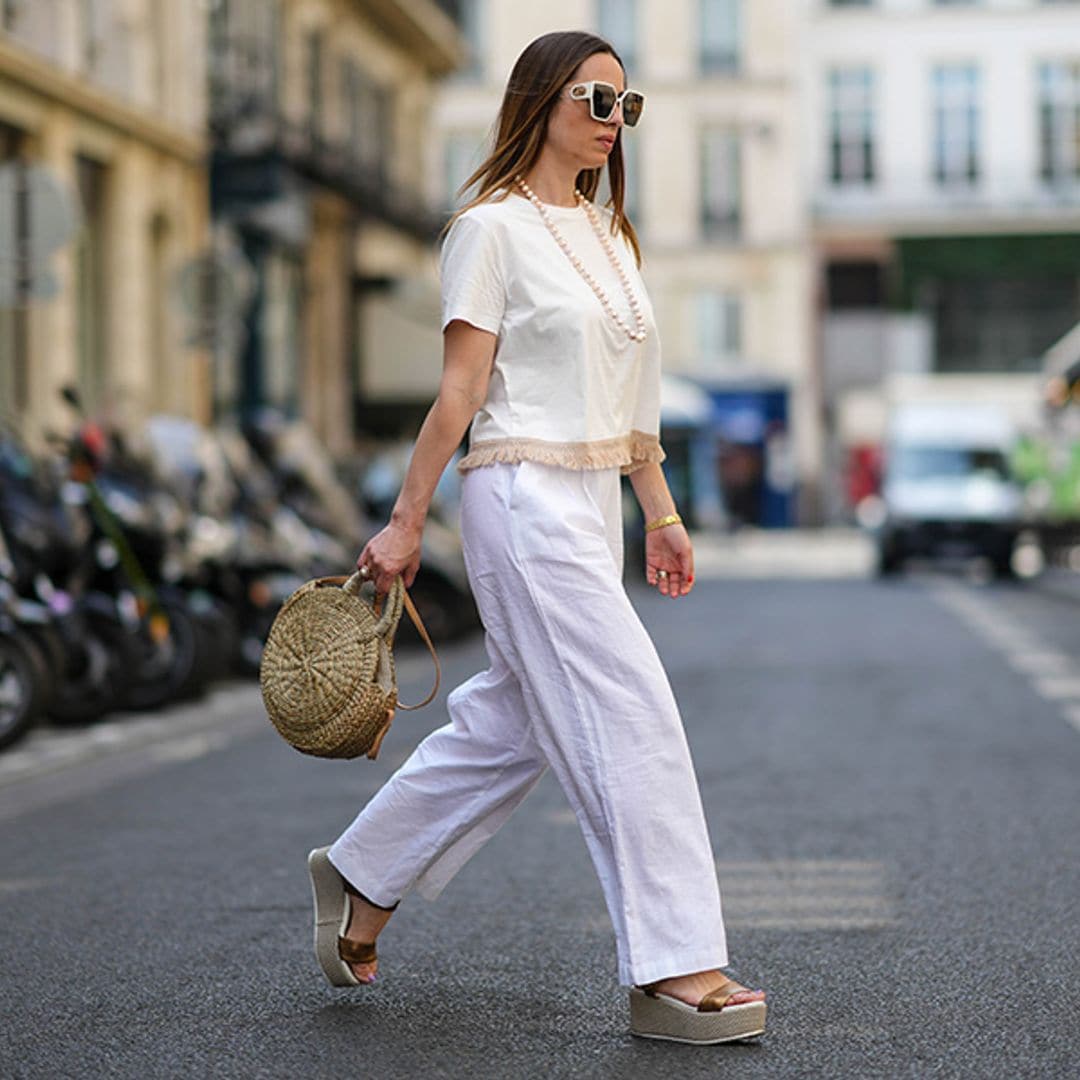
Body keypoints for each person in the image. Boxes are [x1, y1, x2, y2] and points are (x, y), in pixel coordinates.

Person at [306, 30, 767, 1045]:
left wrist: (662, 509)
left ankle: (360, 875)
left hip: (592, 503)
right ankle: (674, 965)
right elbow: (460, 395)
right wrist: (404, 522)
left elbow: (629, 398)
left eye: (624, 105)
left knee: (518, 721)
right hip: (517, 495)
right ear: (539, 101)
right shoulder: (490, 229)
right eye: (594, 100)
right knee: (632, 711)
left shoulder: (611, 238)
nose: (612, 122)